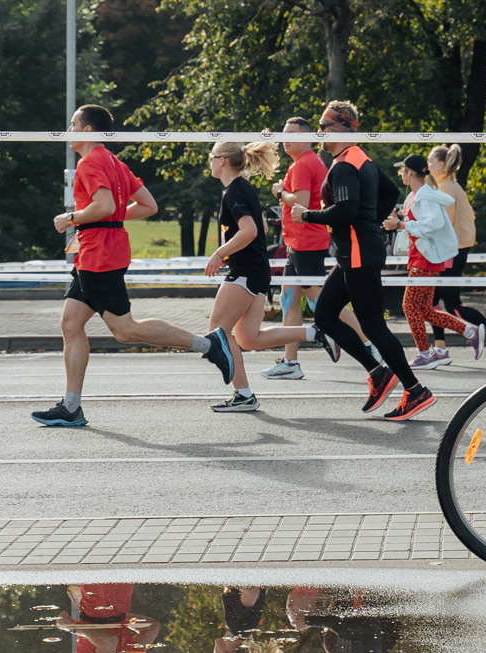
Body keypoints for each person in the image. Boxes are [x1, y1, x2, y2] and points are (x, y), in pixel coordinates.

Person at [30, 104, 243, 428]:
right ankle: (71, 406)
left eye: (73, 124)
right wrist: (111, 214)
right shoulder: (115, 163)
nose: (68, 129)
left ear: (87, 130)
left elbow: (103, 205)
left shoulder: (90, 163)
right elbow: (148, 205)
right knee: (71, 323)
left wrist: (71, 217)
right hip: (96, 252)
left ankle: (209, 344)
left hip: (99, 257)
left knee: (125, 330)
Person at [300, 101, 434, 420]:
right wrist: (371, 221)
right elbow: (389, 192)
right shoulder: (361, 159)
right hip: (353, 254)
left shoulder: (345, 165)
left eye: (323, 126)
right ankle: (378, 373)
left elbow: (346, 211)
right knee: (325, 315)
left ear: (341, 128)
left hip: (359, 255)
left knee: (374, 326)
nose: (319, 132)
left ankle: (415, 391)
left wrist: (306, 215)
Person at [202, 138, 330, 409]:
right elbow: (257, 224)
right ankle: (315, 333)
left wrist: (220, 253)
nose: (210, 161)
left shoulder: (233, 192)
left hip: (245, 272)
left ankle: (244, 395)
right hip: (256, 271)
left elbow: (249, 230)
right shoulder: (242, 188)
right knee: (248, 338)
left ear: (222, 161)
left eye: (212, 156)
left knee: (218, 332)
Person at [425, 144, 486, 359]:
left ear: (442, 165)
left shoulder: (445, 188)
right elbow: (469, 218)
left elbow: (441, 224)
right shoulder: (454, 186)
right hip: (456, 250)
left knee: (452, 305)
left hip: (450, 253)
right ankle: (441, 348)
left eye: (431, 161)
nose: (428, 165)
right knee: (432, 302)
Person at [391, 153, 473, 369]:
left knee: (409, 307)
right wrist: (401, 219)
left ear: (409, 173)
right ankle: (471, 332)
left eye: (403, 171)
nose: (401, 175)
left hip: (424, 259)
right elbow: (419, 221)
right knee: (426, 310)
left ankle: (425, 354)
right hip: (422, 257)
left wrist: (401, 226)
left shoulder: (424, 196)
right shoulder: (417, 194)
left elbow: (433, 224)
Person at [266, 118, 333, 381]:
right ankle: (290, 361)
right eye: (283, 134)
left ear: (308, 138)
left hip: (307, 242)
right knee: (288, 299)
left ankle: (366, 344)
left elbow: (301, 205)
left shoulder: (304, 164)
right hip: (297, 243)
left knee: (321, 300)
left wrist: (280, 193)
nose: (285, 139)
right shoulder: (303, 163)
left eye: (292, 134)